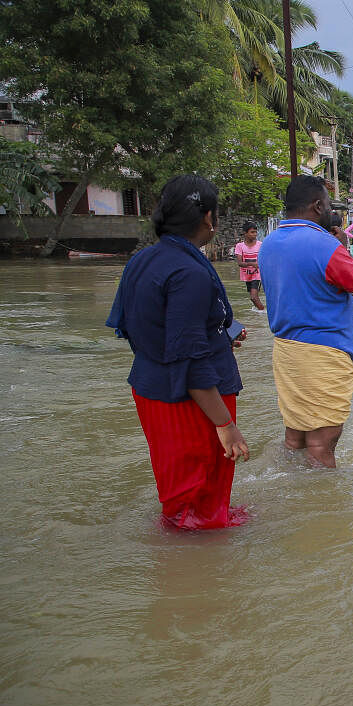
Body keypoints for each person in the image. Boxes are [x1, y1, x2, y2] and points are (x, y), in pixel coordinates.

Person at [105, 174, 250, 530]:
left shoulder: (142, 260)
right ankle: (197, 568)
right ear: (208, 218)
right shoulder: (190, 271)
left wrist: (218, 335)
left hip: (152, 386)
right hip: (193, 396)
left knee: (179, 484)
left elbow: (133, 325)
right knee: (199, 492)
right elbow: (188, 355)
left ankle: (185, 543)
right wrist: (225, 425)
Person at [257, 175, 353, 468]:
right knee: (322, 442)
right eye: (326, 204)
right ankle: (325, 509)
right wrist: (345, 248)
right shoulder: (325, 245)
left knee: (295, 438)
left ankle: (292, 499)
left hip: (286, 350)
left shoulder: (269, 243)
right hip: (323, 352)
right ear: (316, 206)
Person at [234, 221, 265, 310]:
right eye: (252, 232)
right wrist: (252, 264)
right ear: (245, 233)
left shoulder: (260, 245)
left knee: (253, 297)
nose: (254, 234)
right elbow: (240, 263)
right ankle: (260, 313)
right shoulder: (240, 246)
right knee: (253, 299)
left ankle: (263, 313)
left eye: (255, 232)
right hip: (247, 275)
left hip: (257, 274)